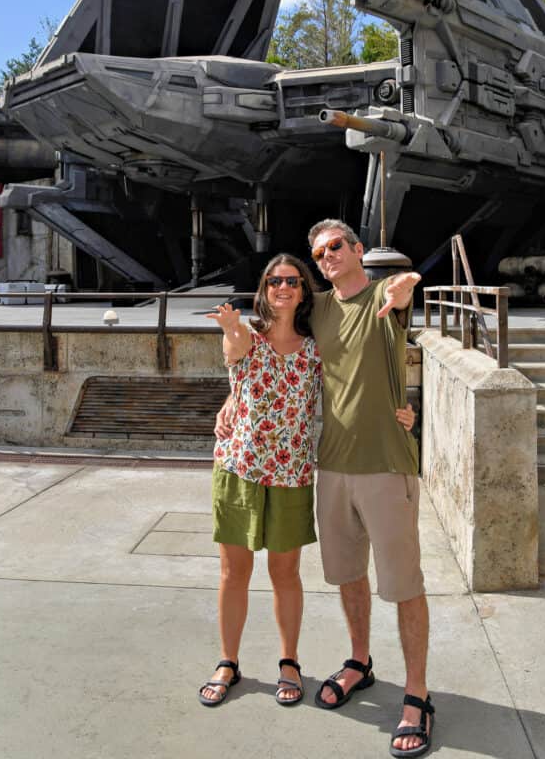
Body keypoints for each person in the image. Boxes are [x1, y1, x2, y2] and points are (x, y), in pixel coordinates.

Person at [305, 219, 432, 758]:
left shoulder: (384, 293)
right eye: (319, 253)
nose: (328, 256)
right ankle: (360, 661)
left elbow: (407, 286)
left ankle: (418, 694)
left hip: (386, 464)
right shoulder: (317, 308)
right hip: (332, 465)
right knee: (348, 575)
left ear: (358, 251)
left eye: (337, 246)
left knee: (403, 583)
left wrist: (406, 283)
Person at [198, 254, 322, 709]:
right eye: (274, 281)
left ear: (304, 290)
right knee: (234, 573)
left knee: (285, 573)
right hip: (240, 469)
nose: (283, 288)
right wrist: (230, 326)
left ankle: (289, 660)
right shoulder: (248, 337)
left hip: (291, 473)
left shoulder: (315, 348)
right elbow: (234, 348)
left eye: (292, 281)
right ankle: (228, 661)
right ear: (264, 289)